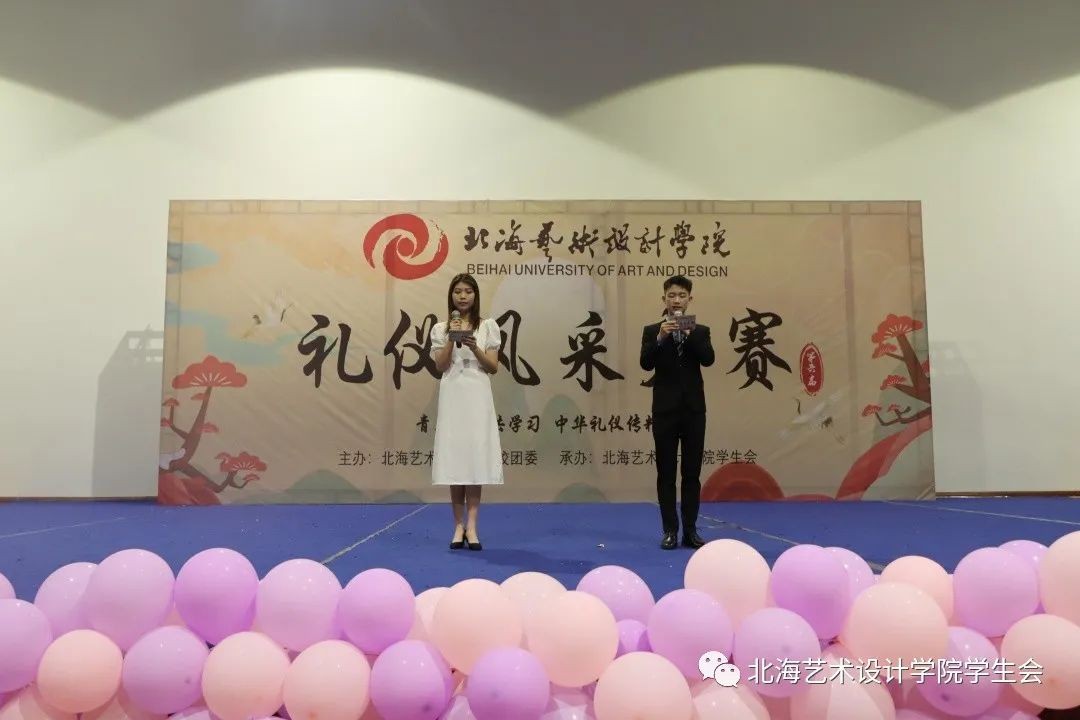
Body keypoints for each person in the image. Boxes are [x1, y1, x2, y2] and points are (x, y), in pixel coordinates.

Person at [639, 275, 715, 549]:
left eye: (682, 295)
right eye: (671, 295)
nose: (676, 300)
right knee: (666, 473)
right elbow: (645, 363)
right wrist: (661, 338)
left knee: (691, 474)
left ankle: (691, 531)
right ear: (664, 299)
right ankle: (670, 530)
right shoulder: (652, 330)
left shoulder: (701, 331)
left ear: (689, 300)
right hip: (664, 411)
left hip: (693, 411)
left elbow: (708, 359)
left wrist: (690, 335)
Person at [429, 273, 503, 550]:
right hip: (453, 392)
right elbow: (440, 366)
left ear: (475, 295)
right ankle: (457, 525)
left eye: (468, 291)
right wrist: (452, 338)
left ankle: (472, 526)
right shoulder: (440, 328)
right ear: (451, 295)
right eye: (458, 291)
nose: (462, 296)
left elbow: (493, 367)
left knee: (474, 460)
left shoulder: (488, 326)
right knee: (456, 460)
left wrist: (474, 347)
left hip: (477, 392)